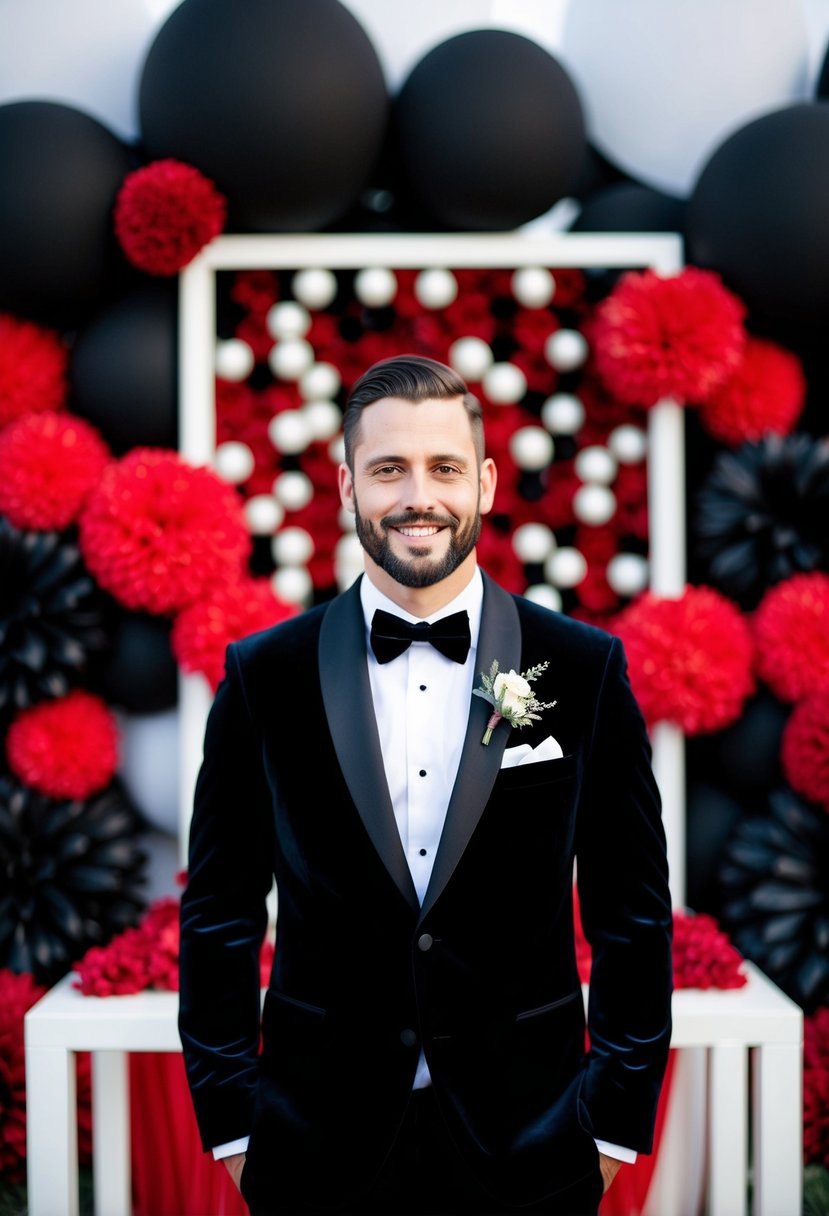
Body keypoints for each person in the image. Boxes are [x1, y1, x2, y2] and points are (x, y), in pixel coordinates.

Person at [178, 353, 673, 1216]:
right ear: (344, 485)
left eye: (444, 467)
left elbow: (631, 912)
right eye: (388, 469)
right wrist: (236, 1131)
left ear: (483, 481)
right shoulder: (263, 677)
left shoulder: (586, 670)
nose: (419, 496)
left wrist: (607, 1129)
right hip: (313, 1149)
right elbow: (218, 911)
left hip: (534, 1143)